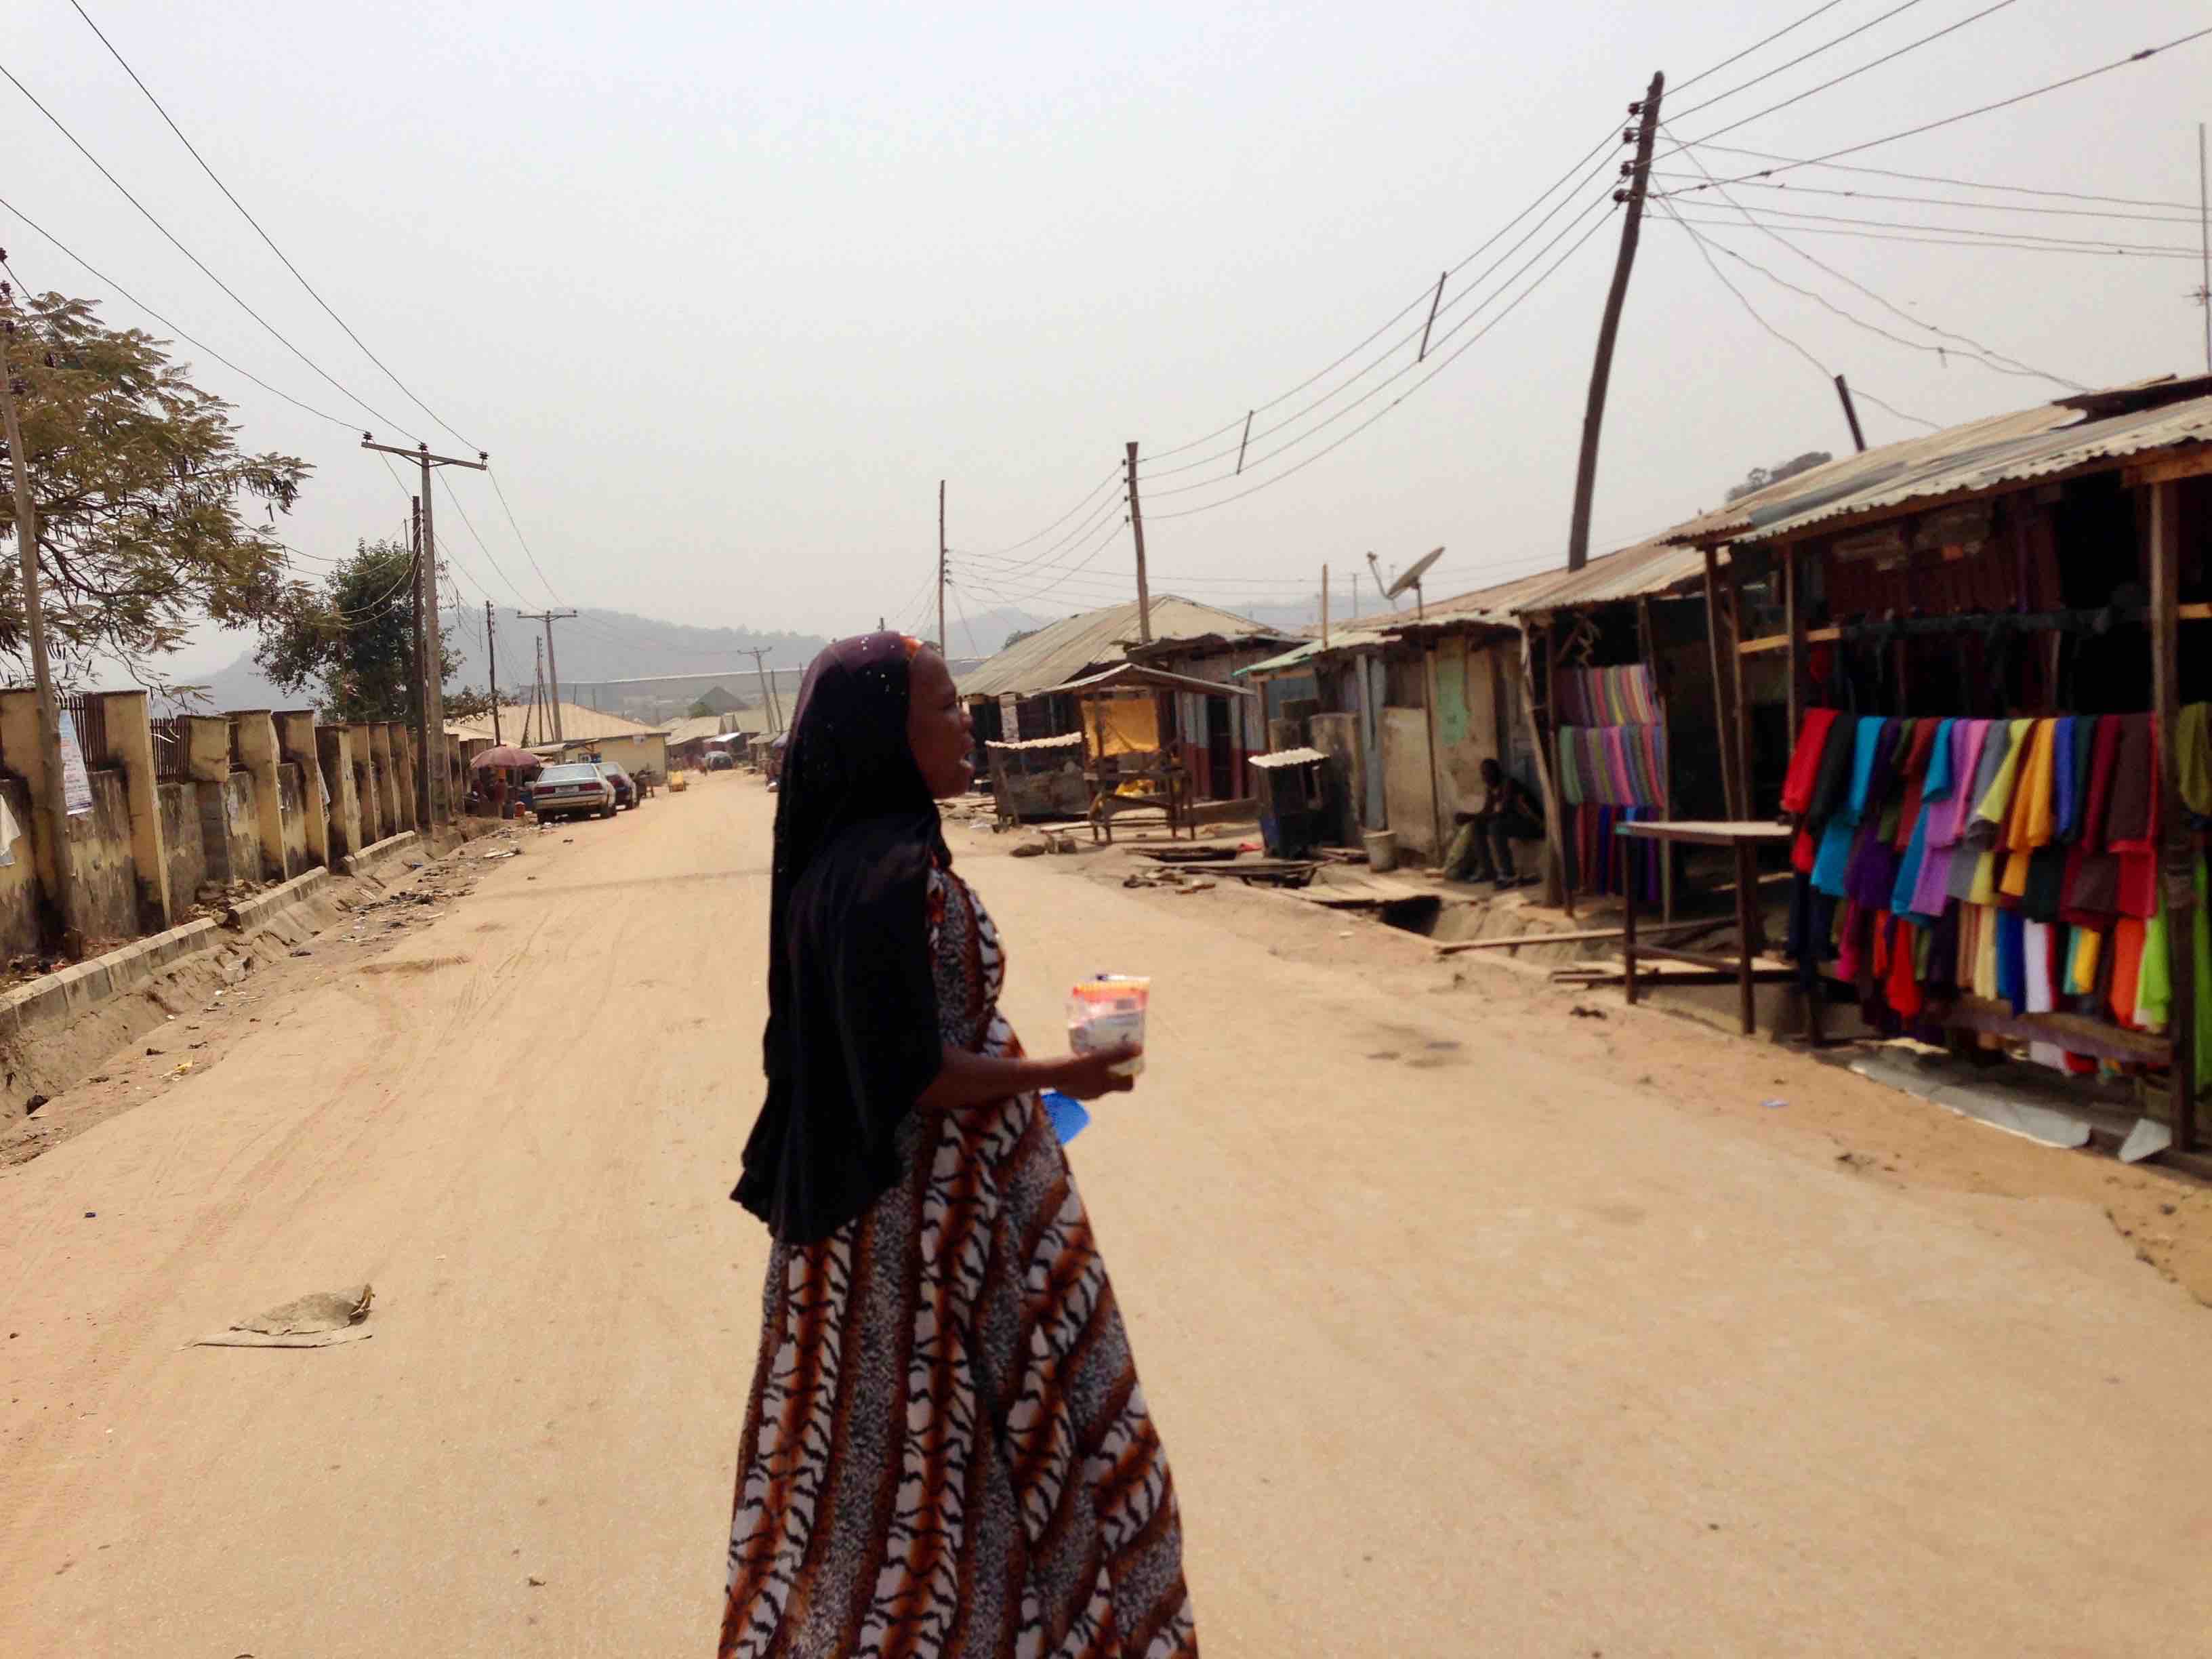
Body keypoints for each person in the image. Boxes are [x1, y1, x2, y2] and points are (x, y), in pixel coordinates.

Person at [723, 632, 1198, 1659]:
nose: (967, 722)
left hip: (879, 1236)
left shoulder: (854, 862)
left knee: (884, 1478)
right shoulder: (893, 874)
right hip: (930, 1239)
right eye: (945, 706)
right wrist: (1057, 1079)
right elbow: (912, 1073)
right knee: (964, 1475)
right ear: (887, 734)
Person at [1452, 757, 1544, 886]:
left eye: (1487, 773)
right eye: (1483, 774)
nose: (1484, 778)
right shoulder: (1491, 788)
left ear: (1497, 772)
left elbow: (1503, 813)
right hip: (1514, 824)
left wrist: (1470, 817)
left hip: (1534, 825)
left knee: (1496, 826)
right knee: (1478, 825)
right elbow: (1486, 812)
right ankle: (1487, 870)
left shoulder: (1509, 785)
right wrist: (1471, 818)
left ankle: (1508, 873)